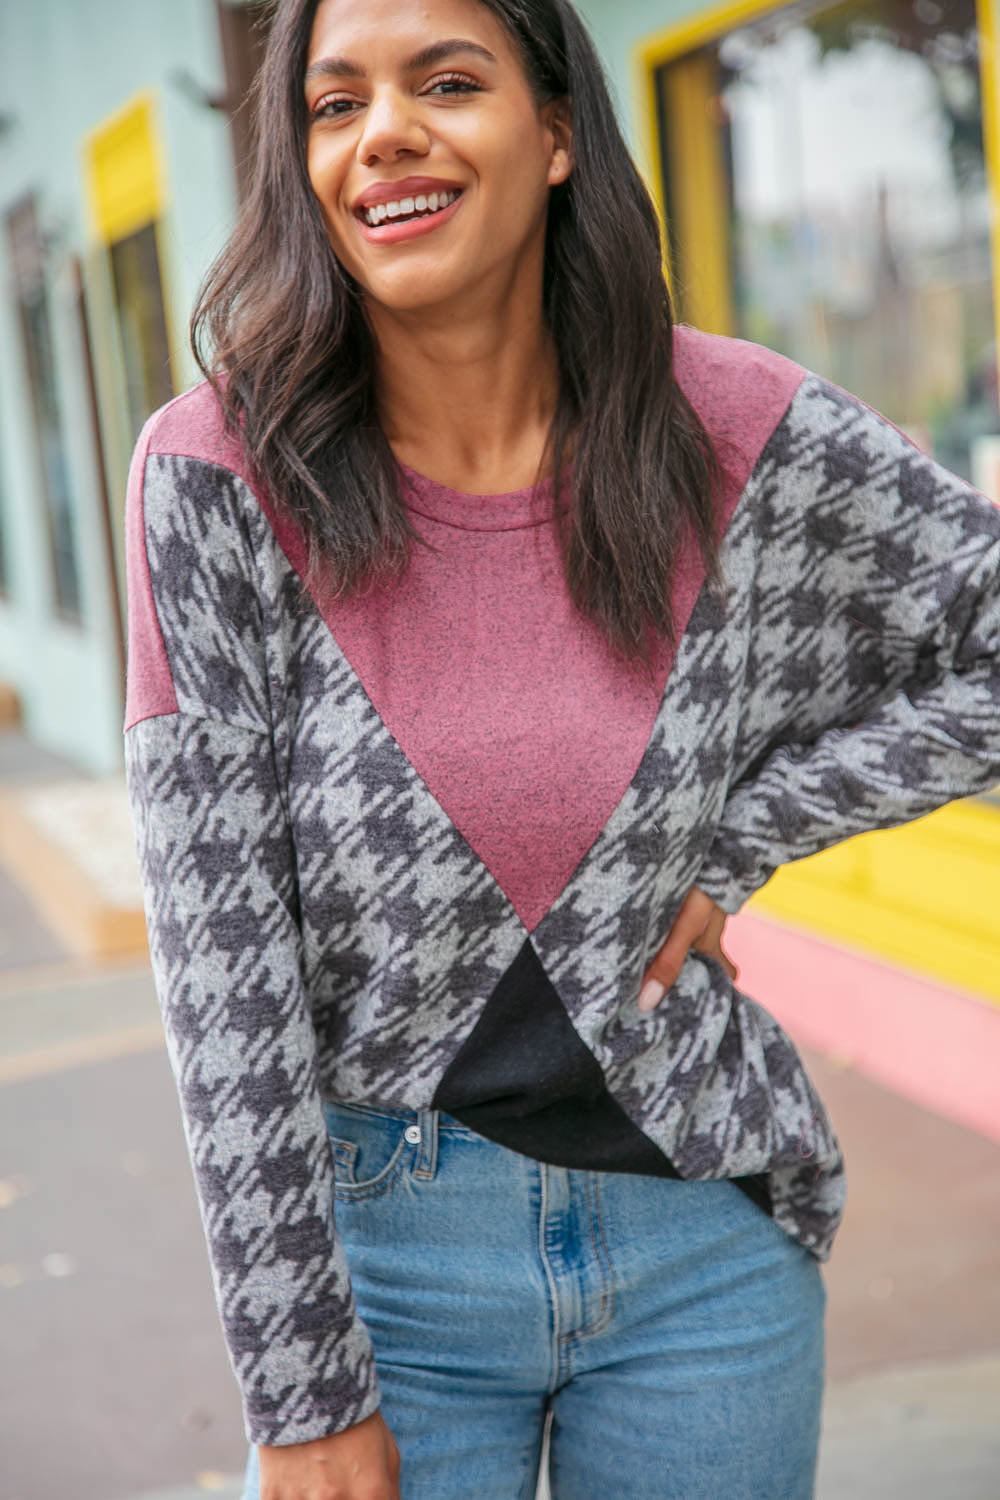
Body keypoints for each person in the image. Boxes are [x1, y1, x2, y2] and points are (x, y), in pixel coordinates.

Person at [122, 0, 1000, 1495]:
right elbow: (223, 981)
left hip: (701, 1247)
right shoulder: (217, 476)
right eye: (334, 105)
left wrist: (751, 833)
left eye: (445, 81)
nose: (383, 133)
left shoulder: (737, 428)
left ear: (555, 133)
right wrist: (300, 1386)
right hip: (383, 1277)